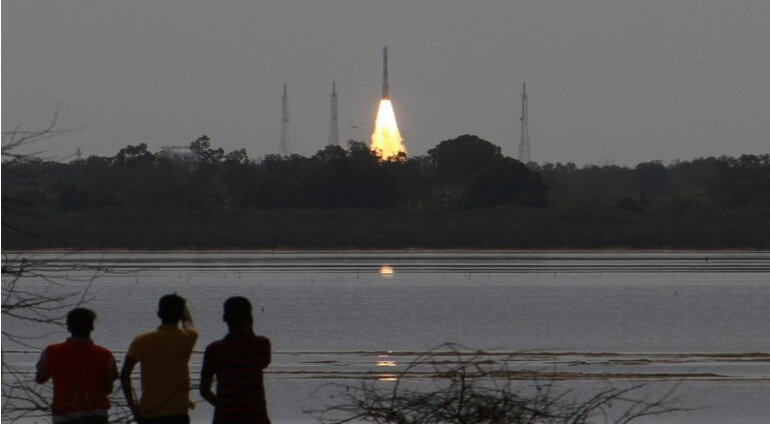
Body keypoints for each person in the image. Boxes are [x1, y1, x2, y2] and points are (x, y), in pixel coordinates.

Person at [120, 294, 197, 423]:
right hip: (178, 413)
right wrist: (184, 311)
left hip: (149, 411)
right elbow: (188, 323)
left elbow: (124, 375)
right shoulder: (189, 337)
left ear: (159, 314)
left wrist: (133, 407)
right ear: (180, 315)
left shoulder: (142, 340)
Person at [35, 308, 118, 424]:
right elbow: (108, 388)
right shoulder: (105, 354)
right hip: (96, 414)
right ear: (92, 327)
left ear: (68, 327)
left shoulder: (52, 352)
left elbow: (40, 378)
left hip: (64, 413)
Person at [200, 296, 272, 423]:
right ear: (250, 318)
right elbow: (263, 361)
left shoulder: (214, 350)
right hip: (256, 417)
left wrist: (223, 406)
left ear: (225, 318)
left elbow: (204, 390)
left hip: (225, 418)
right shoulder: (261, 345)